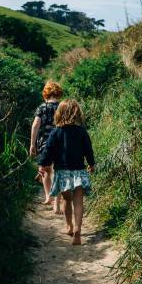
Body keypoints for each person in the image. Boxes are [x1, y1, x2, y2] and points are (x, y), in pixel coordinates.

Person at [37, 99, 95, 245]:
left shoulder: (56, 132)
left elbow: (48, 150)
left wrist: (42, 164)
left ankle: (69, 226)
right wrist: (91, 164)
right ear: (77, 113)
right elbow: (88, 149)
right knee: (79, 202)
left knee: (67, 200)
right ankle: (77, 230)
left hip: (62, 172)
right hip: (79, 171)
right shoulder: (82, 131)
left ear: (60, 114)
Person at [30, 81, 63, 214]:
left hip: (44, 142)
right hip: (61, 142)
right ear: (58, 93)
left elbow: (35, 125)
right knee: (58, 170)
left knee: (45, 170)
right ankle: (57, 201)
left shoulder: (41, 107)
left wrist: (32, 144)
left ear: (46, 94)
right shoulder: (62, 107)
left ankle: (48, 196)